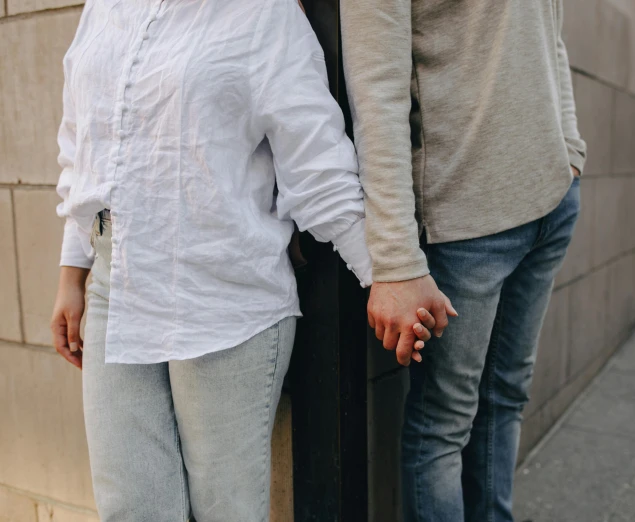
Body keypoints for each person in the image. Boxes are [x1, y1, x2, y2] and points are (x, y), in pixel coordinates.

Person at [49, 1, 430, 520]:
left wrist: (388, 274)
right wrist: (73, 272)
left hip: (223, 293)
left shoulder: (261, 13)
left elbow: (317, 168)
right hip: (116, 286)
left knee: (226, 511)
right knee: (132, 509)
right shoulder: (104, 7)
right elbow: (84, 144)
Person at [341, 0, 587, 520]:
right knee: (443, 426)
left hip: (550, 199)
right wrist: (396, 262)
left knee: (506, 398)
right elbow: (376, 94)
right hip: (464, 227)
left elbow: (552, 31)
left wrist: (569, 148)